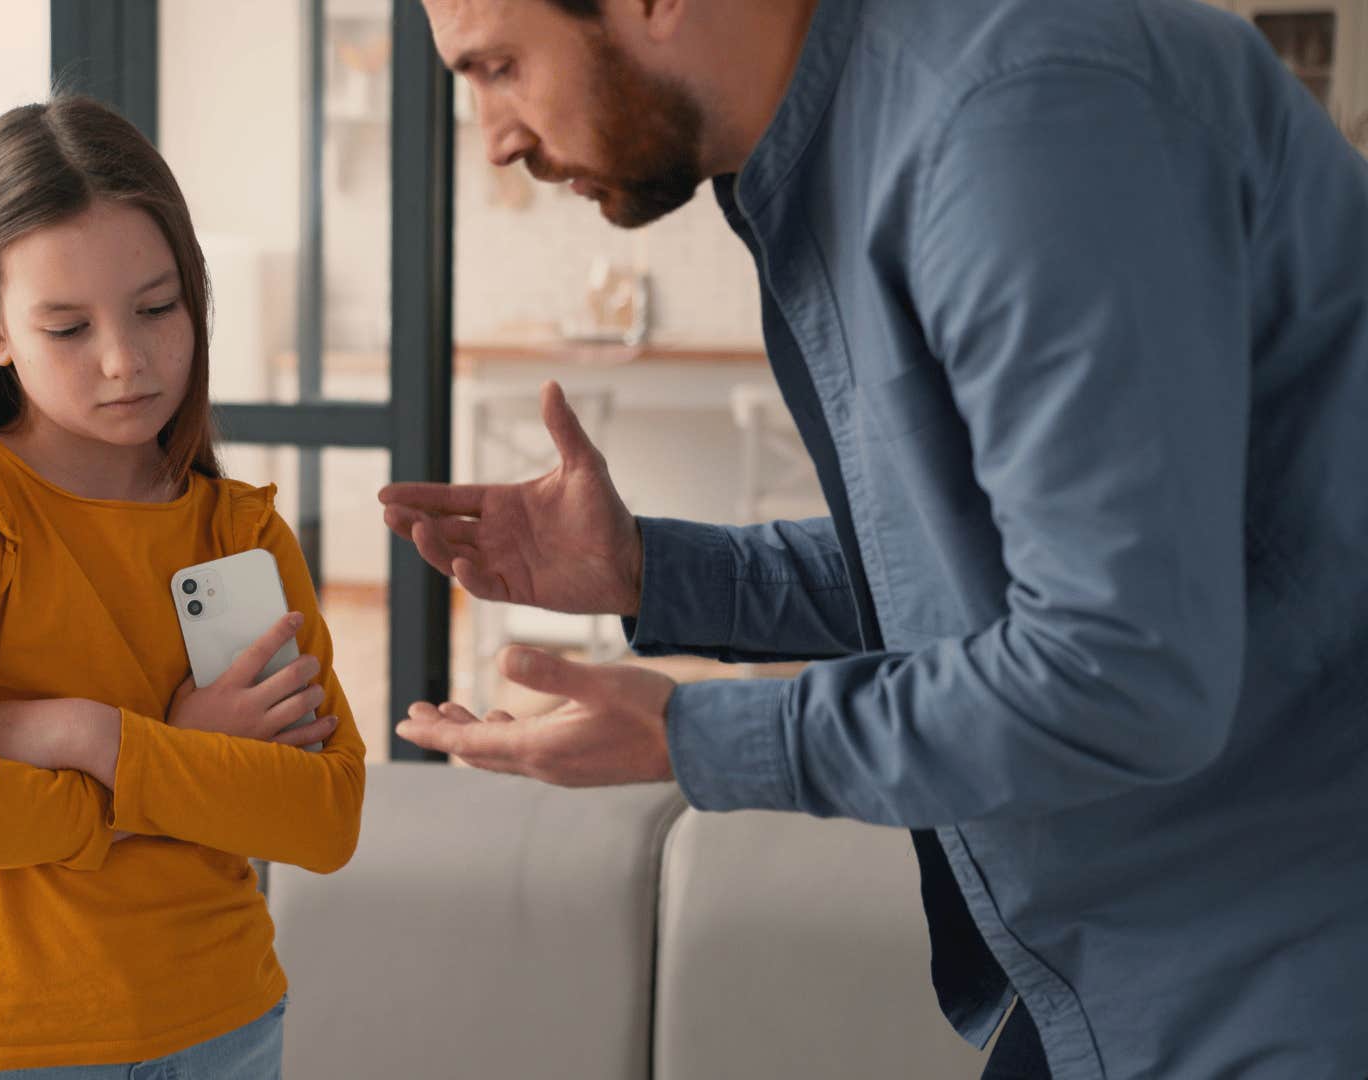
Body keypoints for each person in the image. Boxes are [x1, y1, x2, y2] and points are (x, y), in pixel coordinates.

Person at [383, 0, 1368, 1075]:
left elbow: (1121, 668)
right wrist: (650, 571)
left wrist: (695, 738)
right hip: (1125, 956)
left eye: (499, 66)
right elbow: (961, 573)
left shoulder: (1014, 123)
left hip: (1279, 955)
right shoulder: (851, 147)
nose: (494, 135)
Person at [0, 96, 364, 1079]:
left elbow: (325, 816)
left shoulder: (238, 530)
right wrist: (176, 760)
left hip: (225, 1025)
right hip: (2, 1043)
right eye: (68, 327)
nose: (125, 360)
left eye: (157, 308)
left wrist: (86, 736)